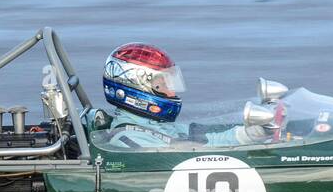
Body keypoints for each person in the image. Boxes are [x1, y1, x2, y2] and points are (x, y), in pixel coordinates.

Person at [89, 42, 266, 149]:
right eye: (163, 84)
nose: (171, 92)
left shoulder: (159, 126)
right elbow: (183, 153)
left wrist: (249, 133)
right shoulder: (126, 138)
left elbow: (204, 139)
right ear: (134, 89)